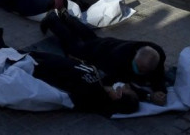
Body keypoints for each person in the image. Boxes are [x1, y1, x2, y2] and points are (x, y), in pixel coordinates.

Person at [0, 28, 140, 116]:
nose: (126, 86)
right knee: (24, 53)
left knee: (20, 59)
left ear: (119, 96)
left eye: (127, 90)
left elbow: (66, 92)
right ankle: (1, 47)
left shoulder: (95, 98)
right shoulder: (104, 88)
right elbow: (121, 78)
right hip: (61, 63)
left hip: (48, 71)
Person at [40, 10, 168, 106]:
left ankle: (68, 18)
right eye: (137, 67)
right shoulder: (119, 61)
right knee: (74, 47)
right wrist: (149, 95)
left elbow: (158, 75)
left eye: (143, 70)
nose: (138, 72)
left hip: (110, 43)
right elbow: (123, 86)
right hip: (100, 53)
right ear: (135, 56)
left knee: (92, 39)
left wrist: (160, 91)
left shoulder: (156, 54)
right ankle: (53, 20)